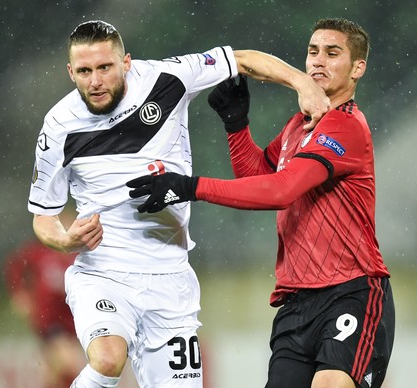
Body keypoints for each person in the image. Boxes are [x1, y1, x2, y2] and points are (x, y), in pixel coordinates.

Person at [27, 20, 329, 388]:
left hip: (171, 279)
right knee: (107, 360)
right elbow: (44, 218)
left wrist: (303, 83)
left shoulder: (167, 78)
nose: (95, 81)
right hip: (103, 273)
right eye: (85, 71)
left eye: (104, 68)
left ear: (126, 62)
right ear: (71, 72)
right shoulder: (58, 125)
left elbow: (243, 60)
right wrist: (66, 241)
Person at [127, 17, 395, 388]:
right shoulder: (297, 126)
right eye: (313, 51)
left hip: (350, 293)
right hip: (297, 303)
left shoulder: (347, 125)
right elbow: (259, 178)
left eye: (333, 53)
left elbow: (280, 191)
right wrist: (237, 125)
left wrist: (190, 187)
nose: (318, 61)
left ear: (358, 68)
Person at [4, 239, 85, 387]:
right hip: (49, 320)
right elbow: (15, 265)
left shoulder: (79, 257)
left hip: (72, 323)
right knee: (69, 363)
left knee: (55, 372)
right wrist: (20, 293)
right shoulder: (39, 252)